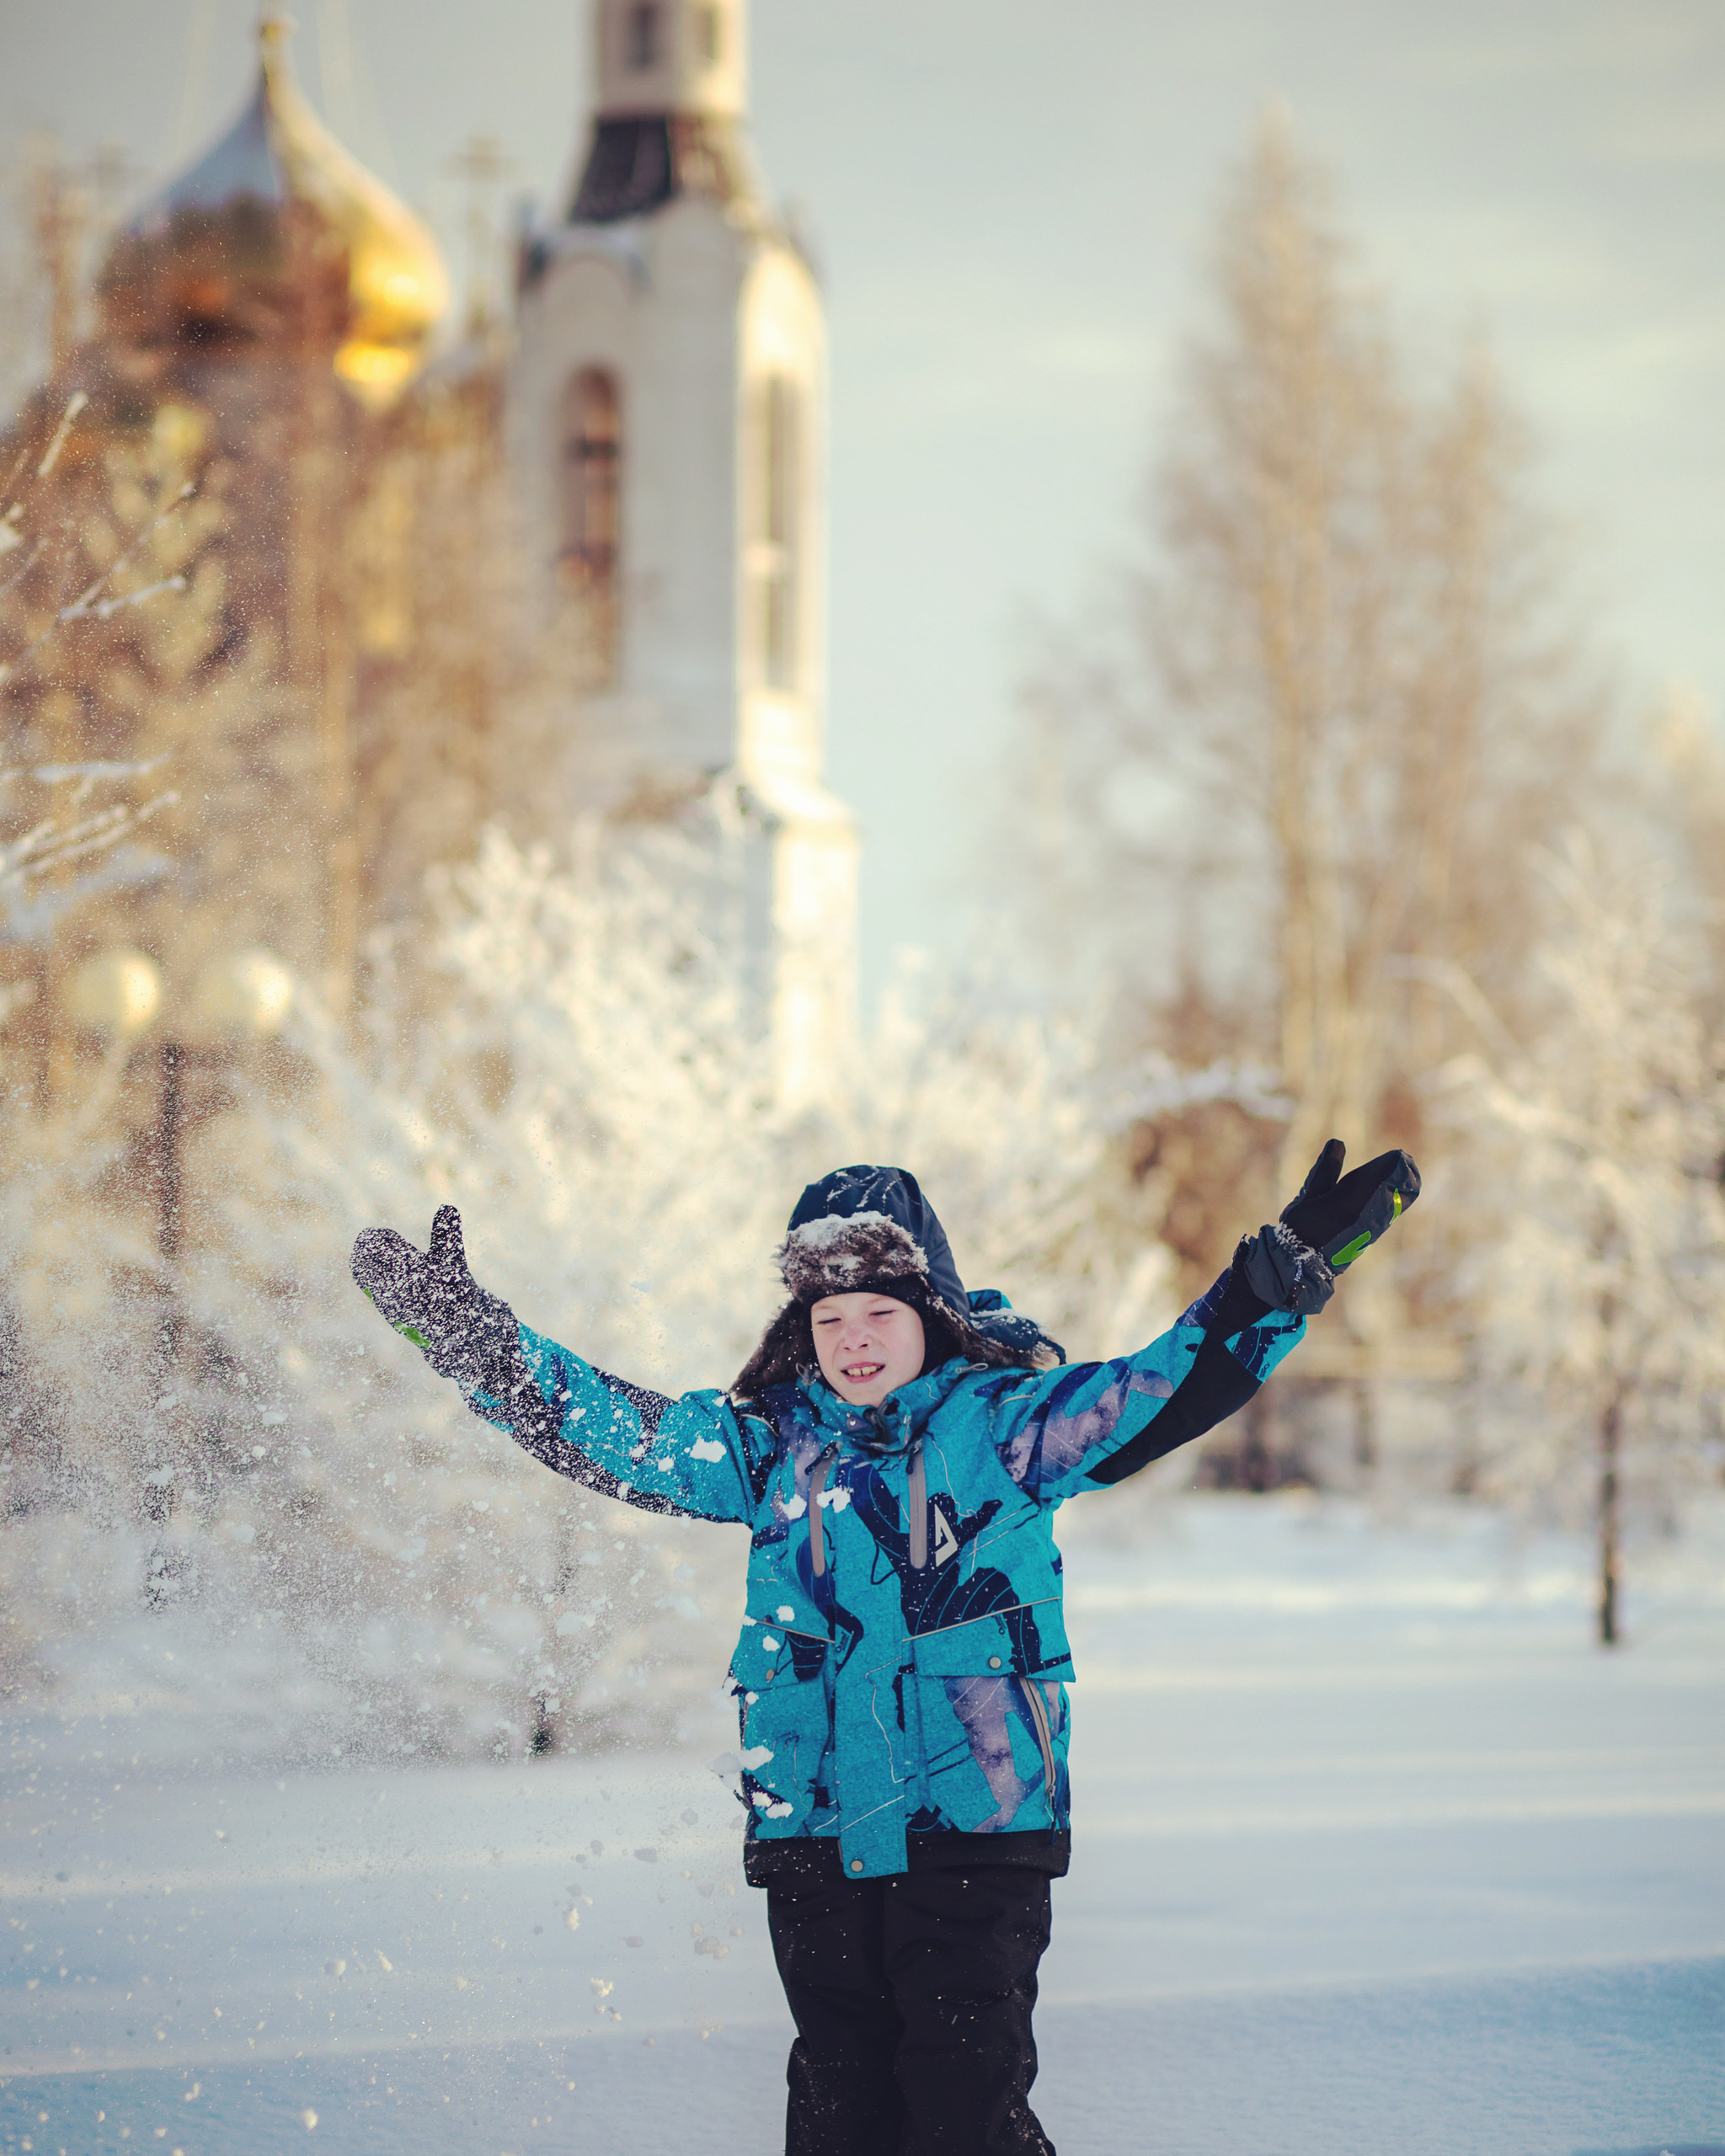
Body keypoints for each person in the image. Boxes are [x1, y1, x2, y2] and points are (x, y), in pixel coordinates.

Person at [352, 1140, 1418, 2154]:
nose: (853, 1337)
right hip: (814, 1830)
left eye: (877, 1312)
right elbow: (614, 1430)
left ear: (931, 1313)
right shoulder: (765, 1446)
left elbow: (1154, 1392)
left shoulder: (1004, 1428)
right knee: (838, 2106)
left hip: (973, 1827)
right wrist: (469, 1340)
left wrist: (1268, 1289)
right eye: (828, 1316)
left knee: (963, 2109)